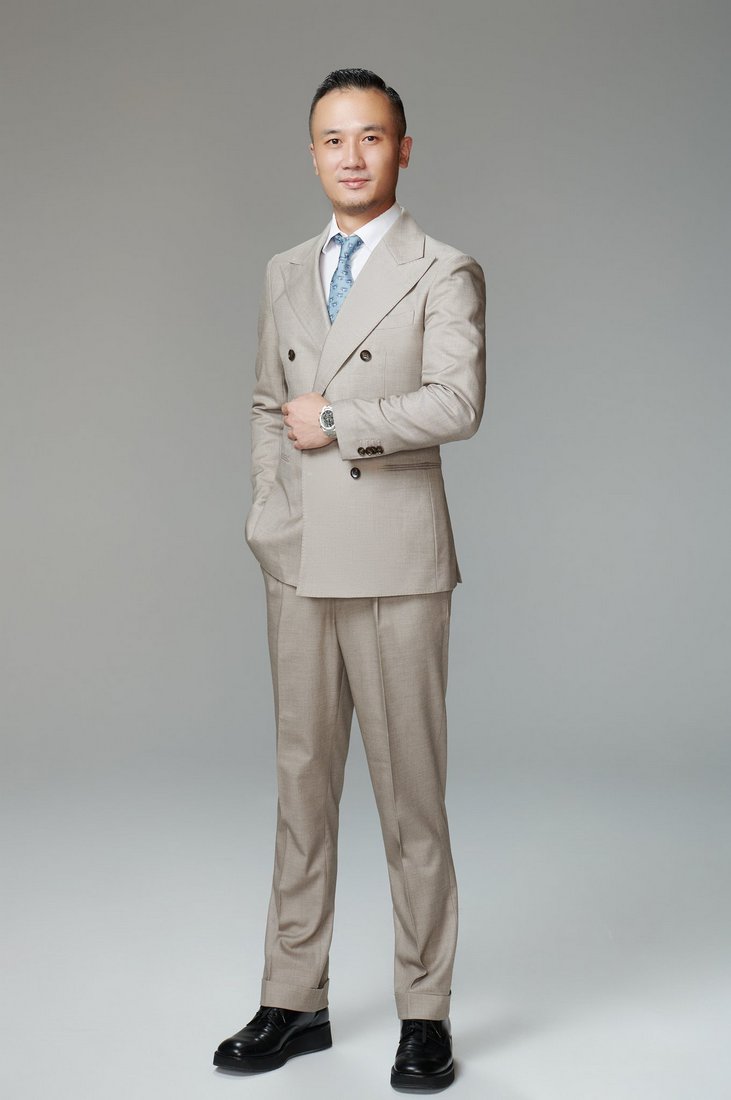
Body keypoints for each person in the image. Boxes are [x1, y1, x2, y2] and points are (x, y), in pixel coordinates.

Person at [213, 67, 486, 1092]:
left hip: (396, 560)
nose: (353, 156)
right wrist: (269, 511)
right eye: (334, 139)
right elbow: (263, 401)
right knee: (301, 786)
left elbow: (457, 401)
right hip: (299, 561)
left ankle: (424, 1012)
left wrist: (336, 422)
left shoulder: (441, 268)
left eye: (372, 137)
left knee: (410, 797)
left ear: (403, 149)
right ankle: (294, 998)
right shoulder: (285, 268)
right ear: (312, 153)